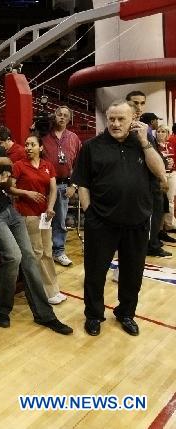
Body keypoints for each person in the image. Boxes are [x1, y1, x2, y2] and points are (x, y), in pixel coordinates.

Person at [0, 116, 73, 335]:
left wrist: (6, 176)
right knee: (13, 256)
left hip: (8, 209)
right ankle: (2, 310)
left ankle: (45, 315)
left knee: (30, 258)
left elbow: (8, 175)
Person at [72, 100, 167, 337]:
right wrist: (88, 212)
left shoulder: (143, 143)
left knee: (132, 273)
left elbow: (160, 173)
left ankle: (126, 313)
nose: (115, 123)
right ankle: (94, 315)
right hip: (101, 222)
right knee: (95, 273)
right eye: (111, 119)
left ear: (133, 118)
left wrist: (145, 142)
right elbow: (82, 183)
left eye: (121, 119)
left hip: (137, 220)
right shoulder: (92, 146)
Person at [11, 134, 66, 305]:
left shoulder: (47, 165)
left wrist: (50, 208)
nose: (28, 147)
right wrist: (26, 193)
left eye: (32, 144)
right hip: (27, 215)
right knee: (37, 253)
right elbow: (10, 188)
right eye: (26, 144)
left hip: (44, 216)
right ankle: (40, 292)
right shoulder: (19, 165)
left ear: (40, 148)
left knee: (47, 252)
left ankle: (52, 289)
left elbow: (53, 189)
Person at [41, 106, 81, 267]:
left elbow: (80, 164)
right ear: (54, 116)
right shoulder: (42, 136)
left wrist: (74, 185)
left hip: (64, 185)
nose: (62, 117)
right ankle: (44, 251)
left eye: (65, 115)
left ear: (69, 120)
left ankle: (59, 251)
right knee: (43, 219)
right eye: (59, 114)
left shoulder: (74, 138)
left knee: (60, 221)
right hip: (43, 186)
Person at [140, 112, 173, 257]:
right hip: (152, 181)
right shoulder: (144, 134)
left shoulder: (148, 134)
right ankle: (151, 245)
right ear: (152, 122)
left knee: (160, 210)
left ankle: (155, 239)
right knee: (154, 213)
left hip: (156, 179)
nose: (157, 125)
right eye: (156, 122)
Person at [155, 124, 176, 239]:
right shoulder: (155, 146)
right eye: (158, 131)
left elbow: (174, 158)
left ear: (167, 134)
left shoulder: (170, 144)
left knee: (170, 200)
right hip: (161, 176)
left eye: (163, 131)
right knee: (162, 202)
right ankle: (159, 228)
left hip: (171, 173)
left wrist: (173, 164)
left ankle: (169, 225)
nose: (161, 133)